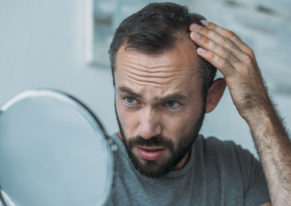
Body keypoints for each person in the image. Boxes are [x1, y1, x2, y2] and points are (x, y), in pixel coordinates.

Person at [106, 2, 291, 206]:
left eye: (171, 103)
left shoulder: (237, 169)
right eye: (131, 100)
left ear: (211, 97)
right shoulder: (85, 171)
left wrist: (258, 108)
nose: (148, 130)